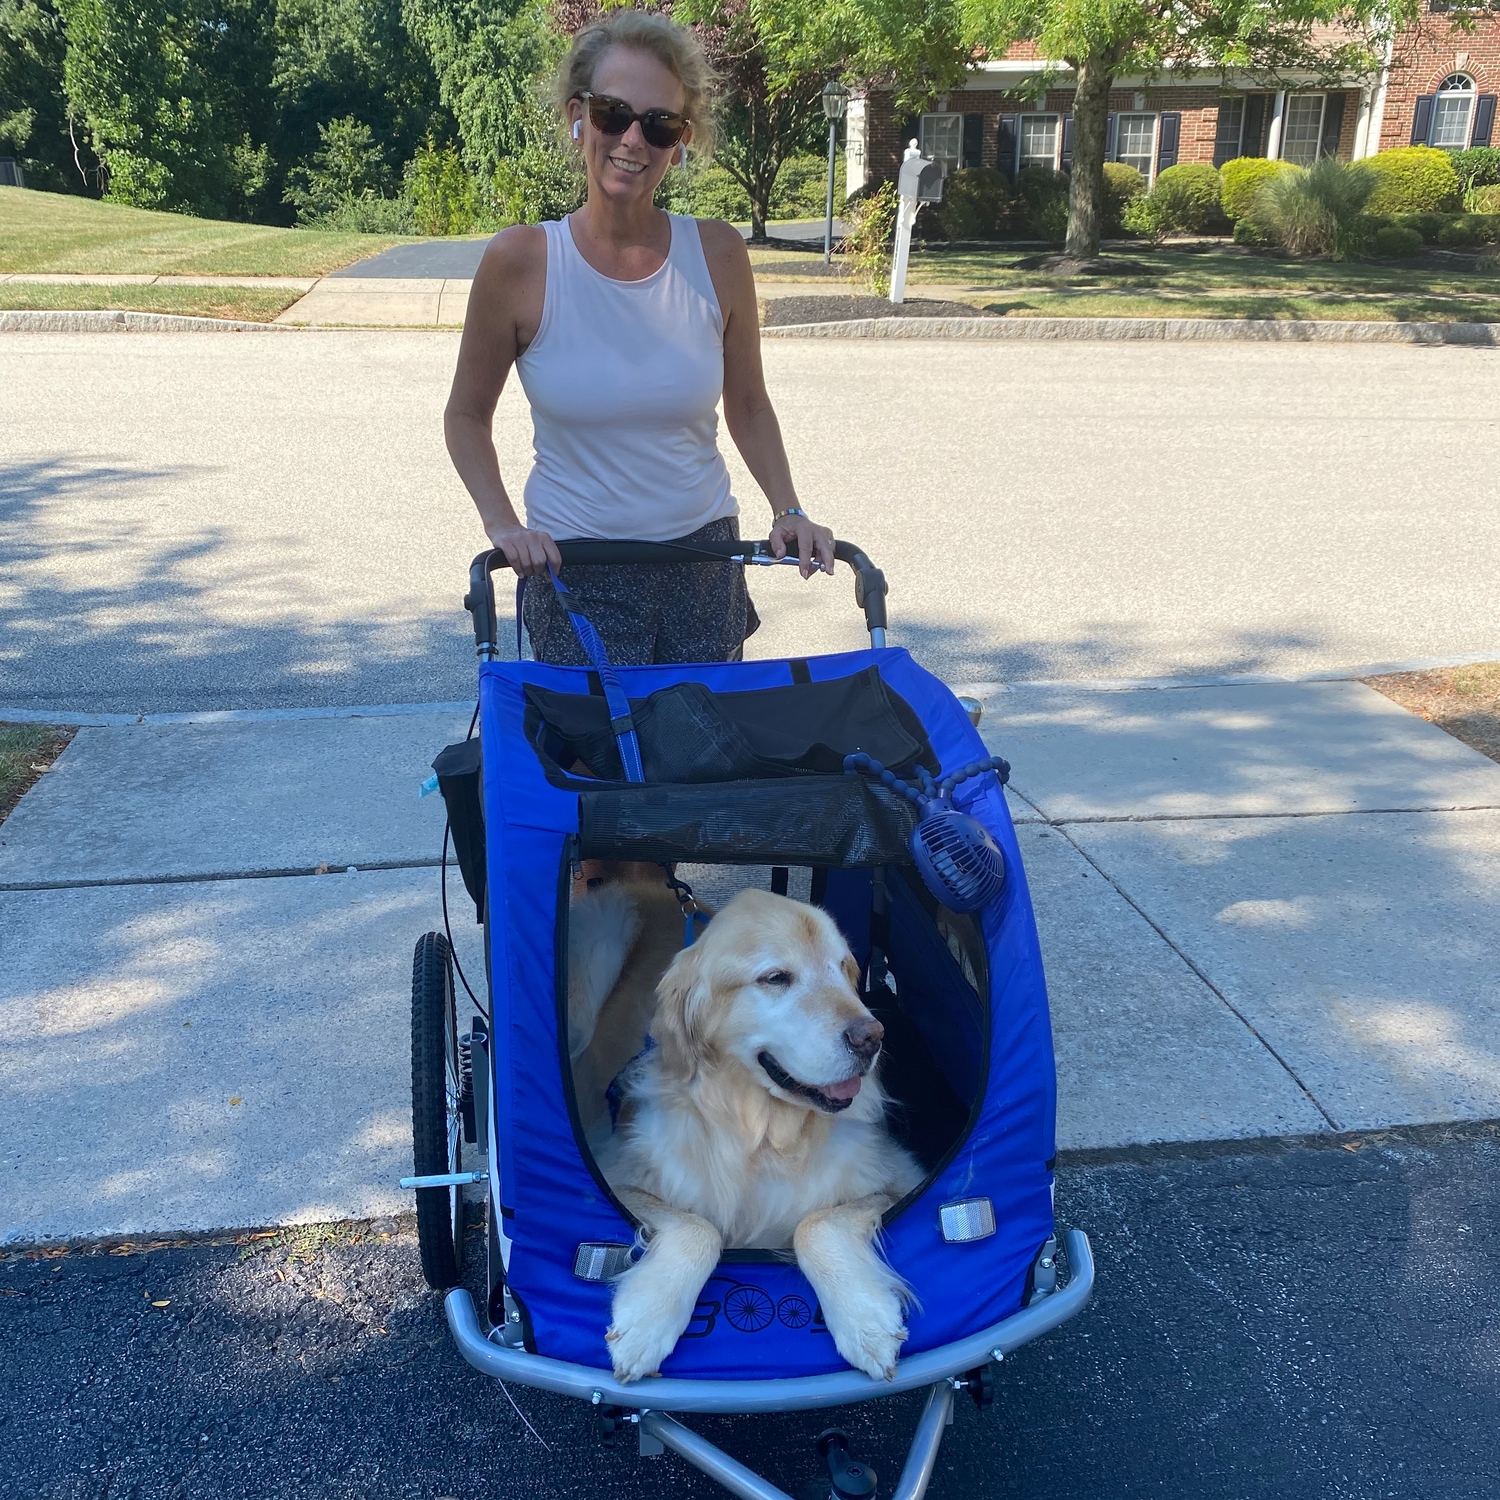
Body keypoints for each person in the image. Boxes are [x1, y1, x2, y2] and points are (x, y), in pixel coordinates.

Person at [443, 9, 835, 667]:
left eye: (659, 125)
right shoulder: (521, 262)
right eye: (612, 114)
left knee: (701, 764)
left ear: (680, 141)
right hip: (579, 566)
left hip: (704, 560)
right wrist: (503, 524)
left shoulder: (717, 252)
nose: (632, 139)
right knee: (597, 764)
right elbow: (464, 415)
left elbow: (748, 405)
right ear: (578, 115)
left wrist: (788, 508)